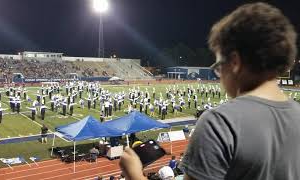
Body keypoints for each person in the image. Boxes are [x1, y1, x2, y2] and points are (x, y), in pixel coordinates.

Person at [119, 2, 300, 180]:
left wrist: (134, 174)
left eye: (219, 65)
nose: (219, 75)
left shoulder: (220, 123)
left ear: (235, 62)